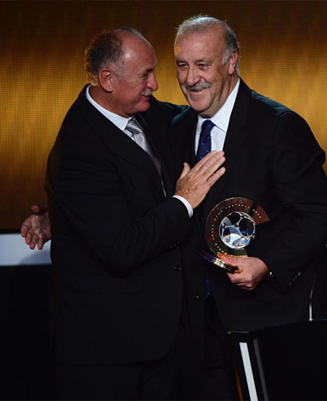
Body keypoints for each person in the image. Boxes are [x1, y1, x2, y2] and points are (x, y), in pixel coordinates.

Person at [32, 27, 225, 400]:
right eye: (144, 75)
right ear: (107, 80)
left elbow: (186, 117)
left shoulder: (144, 113)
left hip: (160, 343)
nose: (155, 83)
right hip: (107, 355)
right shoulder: (79, 149)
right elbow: (122, 247)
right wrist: (183, 201)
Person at [169, 16, 327, 400]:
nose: (190, 78)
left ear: (231, 62)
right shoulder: (177, 128)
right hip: (203, 326)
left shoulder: (278, 126)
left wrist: (265, 263)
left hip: (276, 320)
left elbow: (320, 215)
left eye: (203, 65)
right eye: (182, 65)